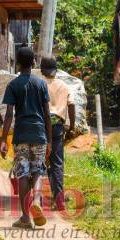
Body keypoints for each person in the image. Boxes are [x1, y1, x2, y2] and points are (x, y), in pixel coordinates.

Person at [1, 47, 52, 229]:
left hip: (21, 133)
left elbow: (8, 115)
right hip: (39, 133)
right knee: (38, 169)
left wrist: (3, 140)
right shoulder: (41, 84)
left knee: (22, 172)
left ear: (18, 63)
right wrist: (50, 141)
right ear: (33, 63)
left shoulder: (13, 85)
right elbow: (47, 114)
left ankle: (25, 217)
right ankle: (37, 199)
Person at [40, 56, 76, 211]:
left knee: (39, 161)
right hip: (57, 127)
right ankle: (59, 200)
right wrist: (72, 126)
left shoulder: (39, 84)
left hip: (41, 126)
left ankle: (36, 200)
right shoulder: (64, 86)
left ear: (41, 70)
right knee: (57, 163)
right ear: (56, 70)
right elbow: (72, 105)